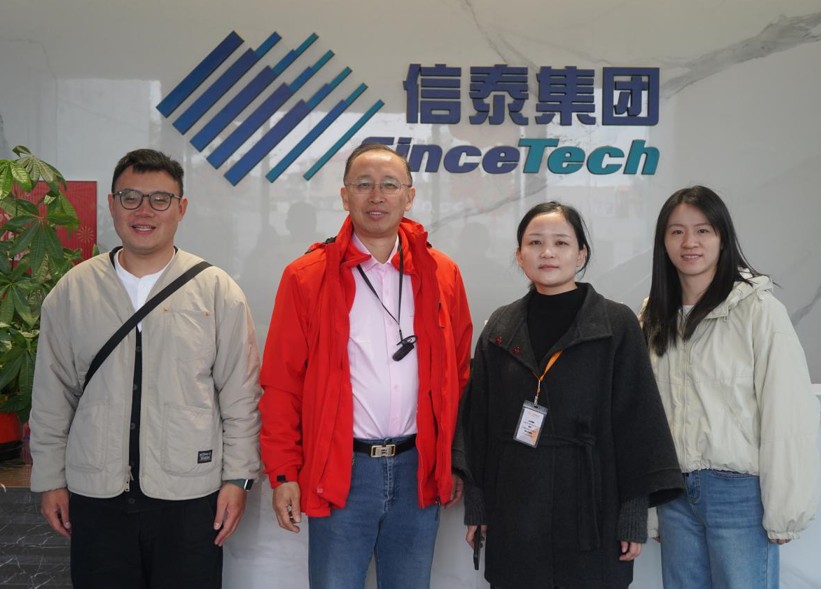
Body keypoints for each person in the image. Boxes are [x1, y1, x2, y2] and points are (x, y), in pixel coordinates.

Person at [29, 148, 262, 588]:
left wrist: (238, 479)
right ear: (112, 204)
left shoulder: (216, 290)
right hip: (96, 492)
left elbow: (240, 395)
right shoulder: (74, 290)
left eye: (160, 199)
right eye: (130, 197)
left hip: (190, 494)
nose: (144, 211)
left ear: (181, 208)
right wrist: (49, 479)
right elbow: (51, 394)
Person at [259, 143, 473, 588]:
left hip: (419, 469)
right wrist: (283, 473)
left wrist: (453, 461)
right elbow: (281, 385)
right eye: (363, 184)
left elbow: (460, 375)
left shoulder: (442, 274)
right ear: (345, 196)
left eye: (389, 185)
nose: (377, 196)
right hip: (341, 471)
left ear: (409, 197)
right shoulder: (306, 276)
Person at [460, 201, 683, 589]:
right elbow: (478, 422)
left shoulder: (616, 324)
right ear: (519, 255)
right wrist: (477, 505)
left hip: (592, 507)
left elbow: (637, 423)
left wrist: (632, 515)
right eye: (535, 242)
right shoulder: (500, 326)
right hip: (515, 505)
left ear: (581, 254)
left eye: (561, 242)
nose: (547, 252)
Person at [640, 186, 821, 588]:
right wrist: (651, 506)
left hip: (738, 493)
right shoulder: (653, 315)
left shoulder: (758, 309)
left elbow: (787, 410)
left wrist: (785, 507)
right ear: (663, 243)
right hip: (674, 492)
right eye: (676, 232)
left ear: (723, 238)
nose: (690, 242)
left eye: (703, 230)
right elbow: (646, 418)